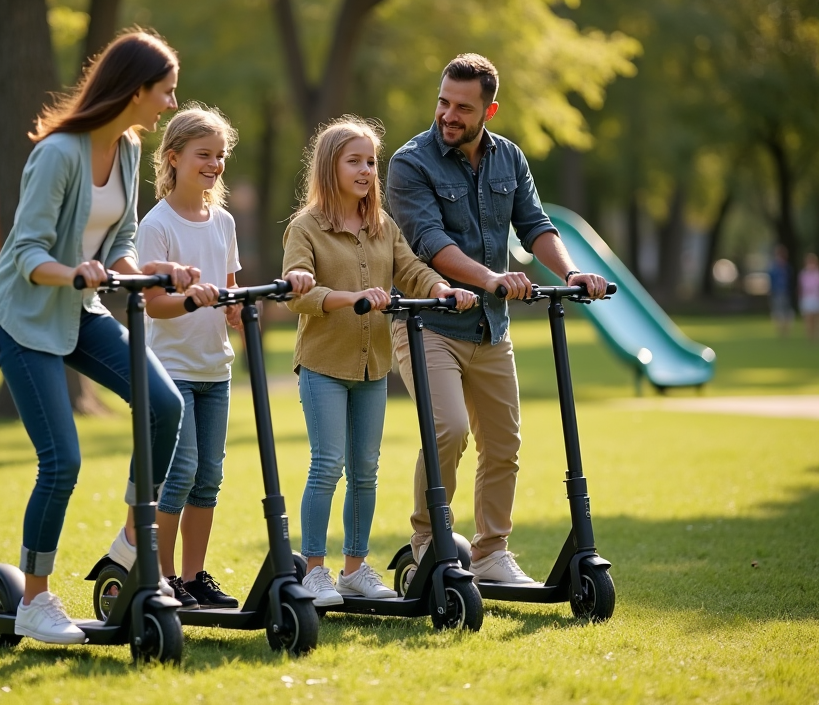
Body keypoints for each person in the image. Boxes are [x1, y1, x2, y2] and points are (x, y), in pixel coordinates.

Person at [0, 29, 198, 644]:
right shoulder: (59, 153)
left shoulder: (125, 149)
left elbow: (120, 241)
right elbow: (24, 252)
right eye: (166, 93)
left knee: (163, 405)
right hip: (23, 318)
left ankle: (132, 540)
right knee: (62, 460)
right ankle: (35, 601)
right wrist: (73, 270)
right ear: (135, 91)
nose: (171, 106)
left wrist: (153, 271)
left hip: (79, 311)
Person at [386, 53, 607, 584]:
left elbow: (535, 225)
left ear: (490, 110)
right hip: (429, 324)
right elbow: (429, 242)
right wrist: (490, 279)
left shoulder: (509, 158)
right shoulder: (410, 162)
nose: (448, 115)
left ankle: (489, 553)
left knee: (504, 444)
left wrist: (572, 272)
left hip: (490, 327)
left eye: (463, 107)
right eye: (443, 102)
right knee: (448, 430)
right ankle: (427, 543)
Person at [282, 116, 476, 606]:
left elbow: (409, 268)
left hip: (372, 367)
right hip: (324, 365)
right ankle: (313, 569)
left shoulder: (381, 225)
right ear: (330, 167)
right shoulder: (305, 228)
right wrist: (349, 299)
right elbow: (297, 290)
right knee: (328, 465)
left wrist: (440, 288)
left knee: (366, 469)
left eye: (371, 161)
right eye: (355, 161)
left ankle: (354, 568)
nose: (367, 170)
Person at [128, 104, 314, 608]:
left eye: (220, 156)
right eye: (203, 155)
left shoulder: (224, 221)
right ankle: (161, 579)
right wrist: (191, 297)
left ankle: (193, 578)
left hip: (215, 369)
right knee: (180, 472)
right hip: (171, 372)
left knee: (208, 477)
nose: (213, 164)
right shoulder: (157, 224)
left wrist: (235, 311)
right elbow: (152, 305)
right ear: (173, 157)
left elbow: (228, 290)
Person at [769, 245, 793, 337]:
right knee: (777, 312)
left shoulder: (787, 268)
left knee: (787, 313)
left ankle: (786, 331)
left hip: (786, 293)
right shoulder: (774, 268)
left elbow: (790, 280)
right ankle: (780, 331)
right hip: (776, 292)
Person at [800, 252, 819, 342]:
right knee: (808, 319)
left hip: (816, 298)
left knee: (815, 319)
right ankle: (809, 337)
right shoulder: (803, 274)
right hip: (807, 298)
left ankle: (815, 337)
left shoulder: (817, 274)